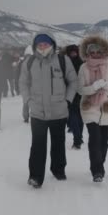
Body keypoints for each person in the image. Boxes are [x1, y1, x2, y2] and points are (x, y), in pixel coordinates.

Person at [19, 34, 77, 188]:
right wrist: (28, 101)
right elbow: (23, 83)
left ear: (52, 44)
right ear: (35, 46)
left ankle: (58, 170)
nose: (42, 47)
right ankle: (35, 176)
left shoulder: (63, 61)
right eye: (40, 44)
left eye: (45, 44)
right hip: (37, 112)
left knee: (58, 143)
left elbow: (73, 82)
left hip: (59, 111)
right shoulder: (29, 62)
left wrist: (67, 100)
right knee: (38, 145)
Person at [77, 36, 108, 183]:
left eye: (98, 50)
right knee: (94, 139)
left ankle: (99, 164)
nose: (95, 53)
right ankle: (97, 171)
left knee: (104, 142)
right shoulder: (83, 68)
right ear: (87, 52)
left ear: (103, 51)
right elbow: (80, 89)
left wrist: (104, 84)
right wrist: (94, 87)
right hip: (89, 108)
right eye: (91, 50)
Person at [65, 45, 85, 149]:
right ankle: (78, 138)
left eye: (75, 52)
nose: (73, 54)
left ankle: (78, 139)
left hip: (79, 94)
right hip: (70, 94)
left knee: (77, 118)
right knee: (74, 117)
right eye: (71, 52)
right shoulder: (65, 63)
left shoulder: (81, 64)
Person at [16, 45, 33, 123]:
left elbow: (17, 74)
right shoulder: (35, 62)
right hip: (31, 84)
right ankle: (31, 116)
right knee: (31, 101)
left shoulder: (21, 63)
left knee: (26, 101)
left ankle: (26, 117)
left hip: (26, 84)